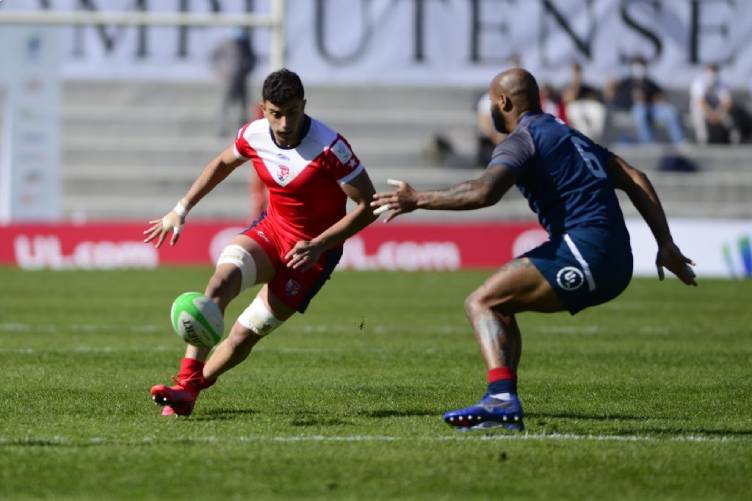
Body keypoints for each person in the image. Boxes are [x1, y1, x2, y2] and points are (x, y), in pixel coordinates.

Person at [371, 68, 697, 431]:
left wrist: (418, 199)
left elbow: (484, 192)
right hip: (617, 258)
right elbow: (637, 177)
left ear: (503, 102)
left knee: (481, 303)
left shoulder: (521, 139)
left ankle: (500, 399)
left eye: (491, 102)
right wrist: (665, 243)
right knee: (500, 302)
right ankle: (502, 402)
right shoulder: (569, 134)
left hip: (584, 252)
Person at [144, 68, 378, 417]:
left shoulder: (331, 147)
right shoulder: (254, 134)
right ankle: (184, 384)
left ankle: (190, 390)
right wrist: (181, 209)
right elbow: (221, 164)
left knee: (244, 334)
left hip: (312, 256)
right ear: (263, 108)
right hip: (271, 232)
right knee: (219, 284)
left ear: (304, 106)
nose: (284, 123)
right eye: (276, 113)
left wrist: (319, 244)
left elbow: (368, 205)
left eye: (293, 112)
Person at [604, 56, 685, 144]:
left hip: (652, 109)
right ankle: (648, 142)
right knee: (640, 109)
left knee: (670, 111)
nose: (639, 69)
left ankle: (680, 140)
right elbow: (619, 101)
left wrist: (658, 99)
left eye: (641, 66)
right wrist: (633, 100)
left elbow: (660, 95)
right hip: (634, 110)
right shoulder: (625, 84)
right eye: (637, 66)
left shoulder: (648, 82)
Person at [212, 30, 257, 137]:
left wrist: (247, 69)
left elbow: (253, 59)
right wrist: (221, 70)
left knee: (243, 105)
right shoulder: (224, 44)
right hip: (227, 79)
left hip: (242, 78)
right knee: (224, 104)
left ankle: (242, 129)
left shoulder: (245, 45)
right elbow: (214, 58)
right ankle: (222, 128)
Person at [690, 64, 748, 144]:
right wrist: (710, 113)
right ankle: (702, 140)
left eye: (714, 73)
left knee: (729, 118)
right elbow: (700, 101)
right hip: (703, 108)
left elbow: (728, 102)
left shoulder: (722, 84)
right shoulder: (698, 82)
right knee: (698, 113)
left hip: (717, 109)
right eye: (709, 73)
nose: (711, 76)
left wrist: (718, 114)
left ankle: (735, 139)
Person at [562, 62, 607, 142]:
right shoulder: (567, 85)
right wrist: (576, 83)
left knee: (599, 110)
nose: (577, 73)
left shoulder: (586, 84)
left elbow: (594, 98)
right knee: (578, 116)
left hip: (586, 104)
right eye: (575, 71)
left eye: (578, 71)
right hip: (573, 106)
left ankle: (595, 138)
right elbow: (568, 99)